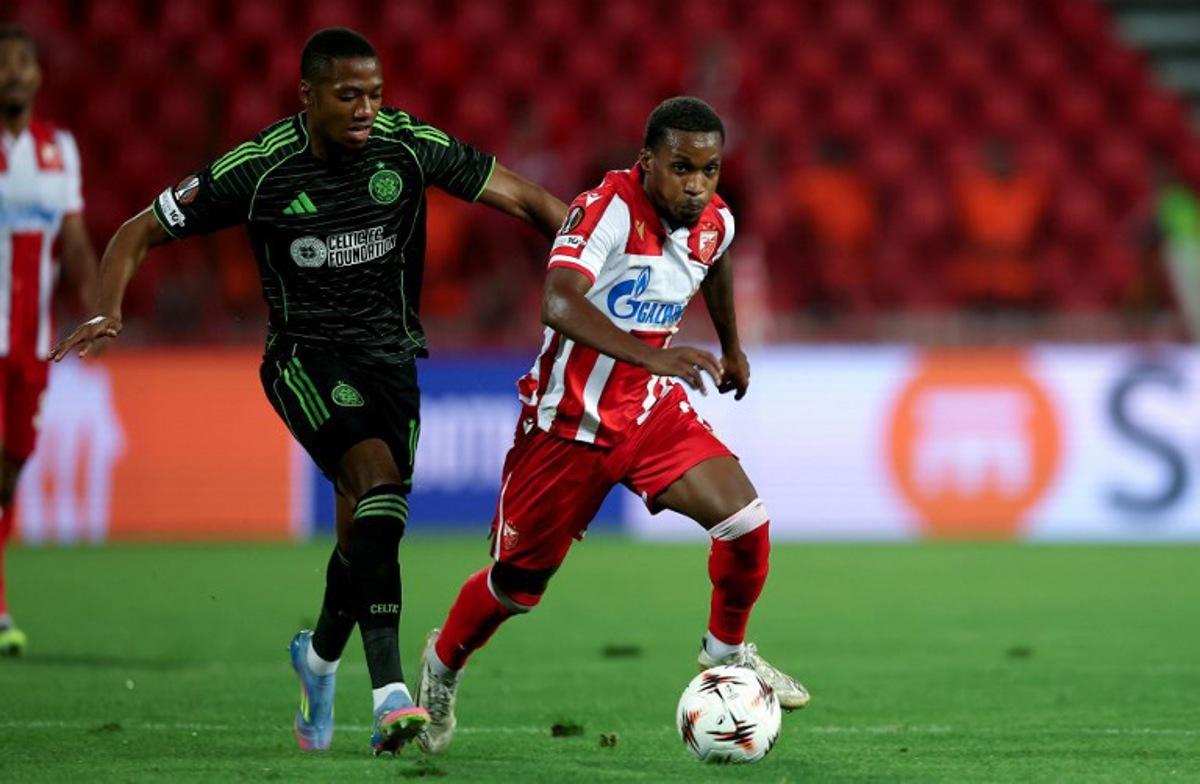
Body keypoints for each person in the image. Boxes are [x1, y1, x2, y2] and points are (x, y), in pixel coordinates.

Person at [50, 28, 566, 754]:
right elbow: (136, 231)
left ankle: (318, 658)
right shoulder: (261, 169)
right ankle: (389, 695)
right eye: (348, 94)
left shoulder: (406, 144)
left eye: (375, 94)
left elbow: (523, 197)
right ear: (308, 95)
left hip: (391, 362)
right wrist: (108, 306)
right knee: (378, 486)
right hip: (303, 360)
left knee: (368, 531)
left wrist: (594, 259)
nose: (365, 109)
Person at [412, 96, 809, 755]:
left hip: (650, 412)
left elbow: (720, 256)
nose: (696, 184)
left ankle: (727, 654)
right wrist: (657, 353)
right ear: (648, 161)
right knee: (516, 587)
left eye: (710, 171)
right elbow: (559, 301)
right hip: (567, 426)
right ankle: (443, 663)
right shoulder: (606, 210)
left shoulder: (713, 219)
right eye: (682, 168)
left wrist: (733, 346)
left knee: (745, 522)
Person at [0, 25, 97, 656]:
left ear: (38, 74)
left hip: (31, 347)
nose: (12, 72)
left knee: (9, 475)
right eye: (3, 63)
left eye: (23, 62)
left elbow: (75, 240)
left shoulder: (58, 149)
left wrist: (96, 309)